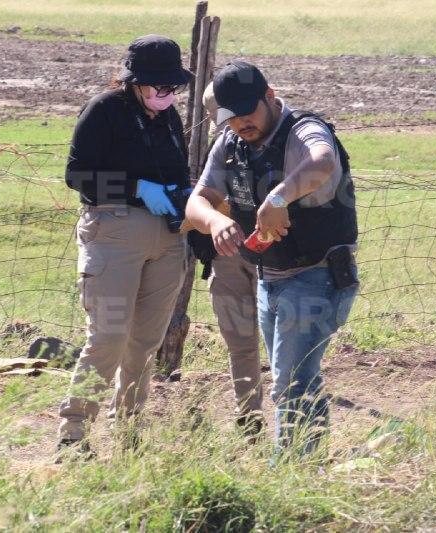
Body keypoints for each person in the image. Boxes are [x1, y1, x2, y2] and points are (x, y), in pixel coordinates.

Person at [185, 61, 359, 455]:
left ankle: (294, 470)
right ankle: (307, 467)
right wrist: (213, 221)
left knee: (291, 380)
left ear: (270, 96)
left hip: (316, 276)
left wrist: (278, 197)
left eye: (248, 111)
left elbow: (322, 162)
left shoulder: (303, 130)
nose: (241, 123)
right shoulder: (230, 143)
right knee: (297, 378)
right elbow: (197, 201)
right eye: (230, 117)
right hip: (271, 277)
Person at [58, 35, 193, 456]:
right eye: (158, 85)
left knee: (145, 341)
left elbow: (179, 171)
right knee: (109, 337)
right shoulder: (104, 110)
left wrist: (180, 198)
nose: (166, 93)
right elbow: (77, 176)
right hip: (113, 234)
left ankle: (128, 431)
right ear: (134, 81)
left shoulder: (169, 117)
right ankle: (73, 433)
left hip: (167, 240)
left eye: (172, 86)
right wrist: (137, 189)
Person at [188, 82, 264, 440]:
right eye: (220, 118)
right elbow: (201, 202)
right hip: (230, 256)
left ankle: (292, 419)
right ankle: (249, 415)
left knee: (284, 341)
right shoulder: (224, 146)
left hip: (277, 257)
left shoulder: (287, 140)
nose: (229, 124)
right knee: (239, 340)